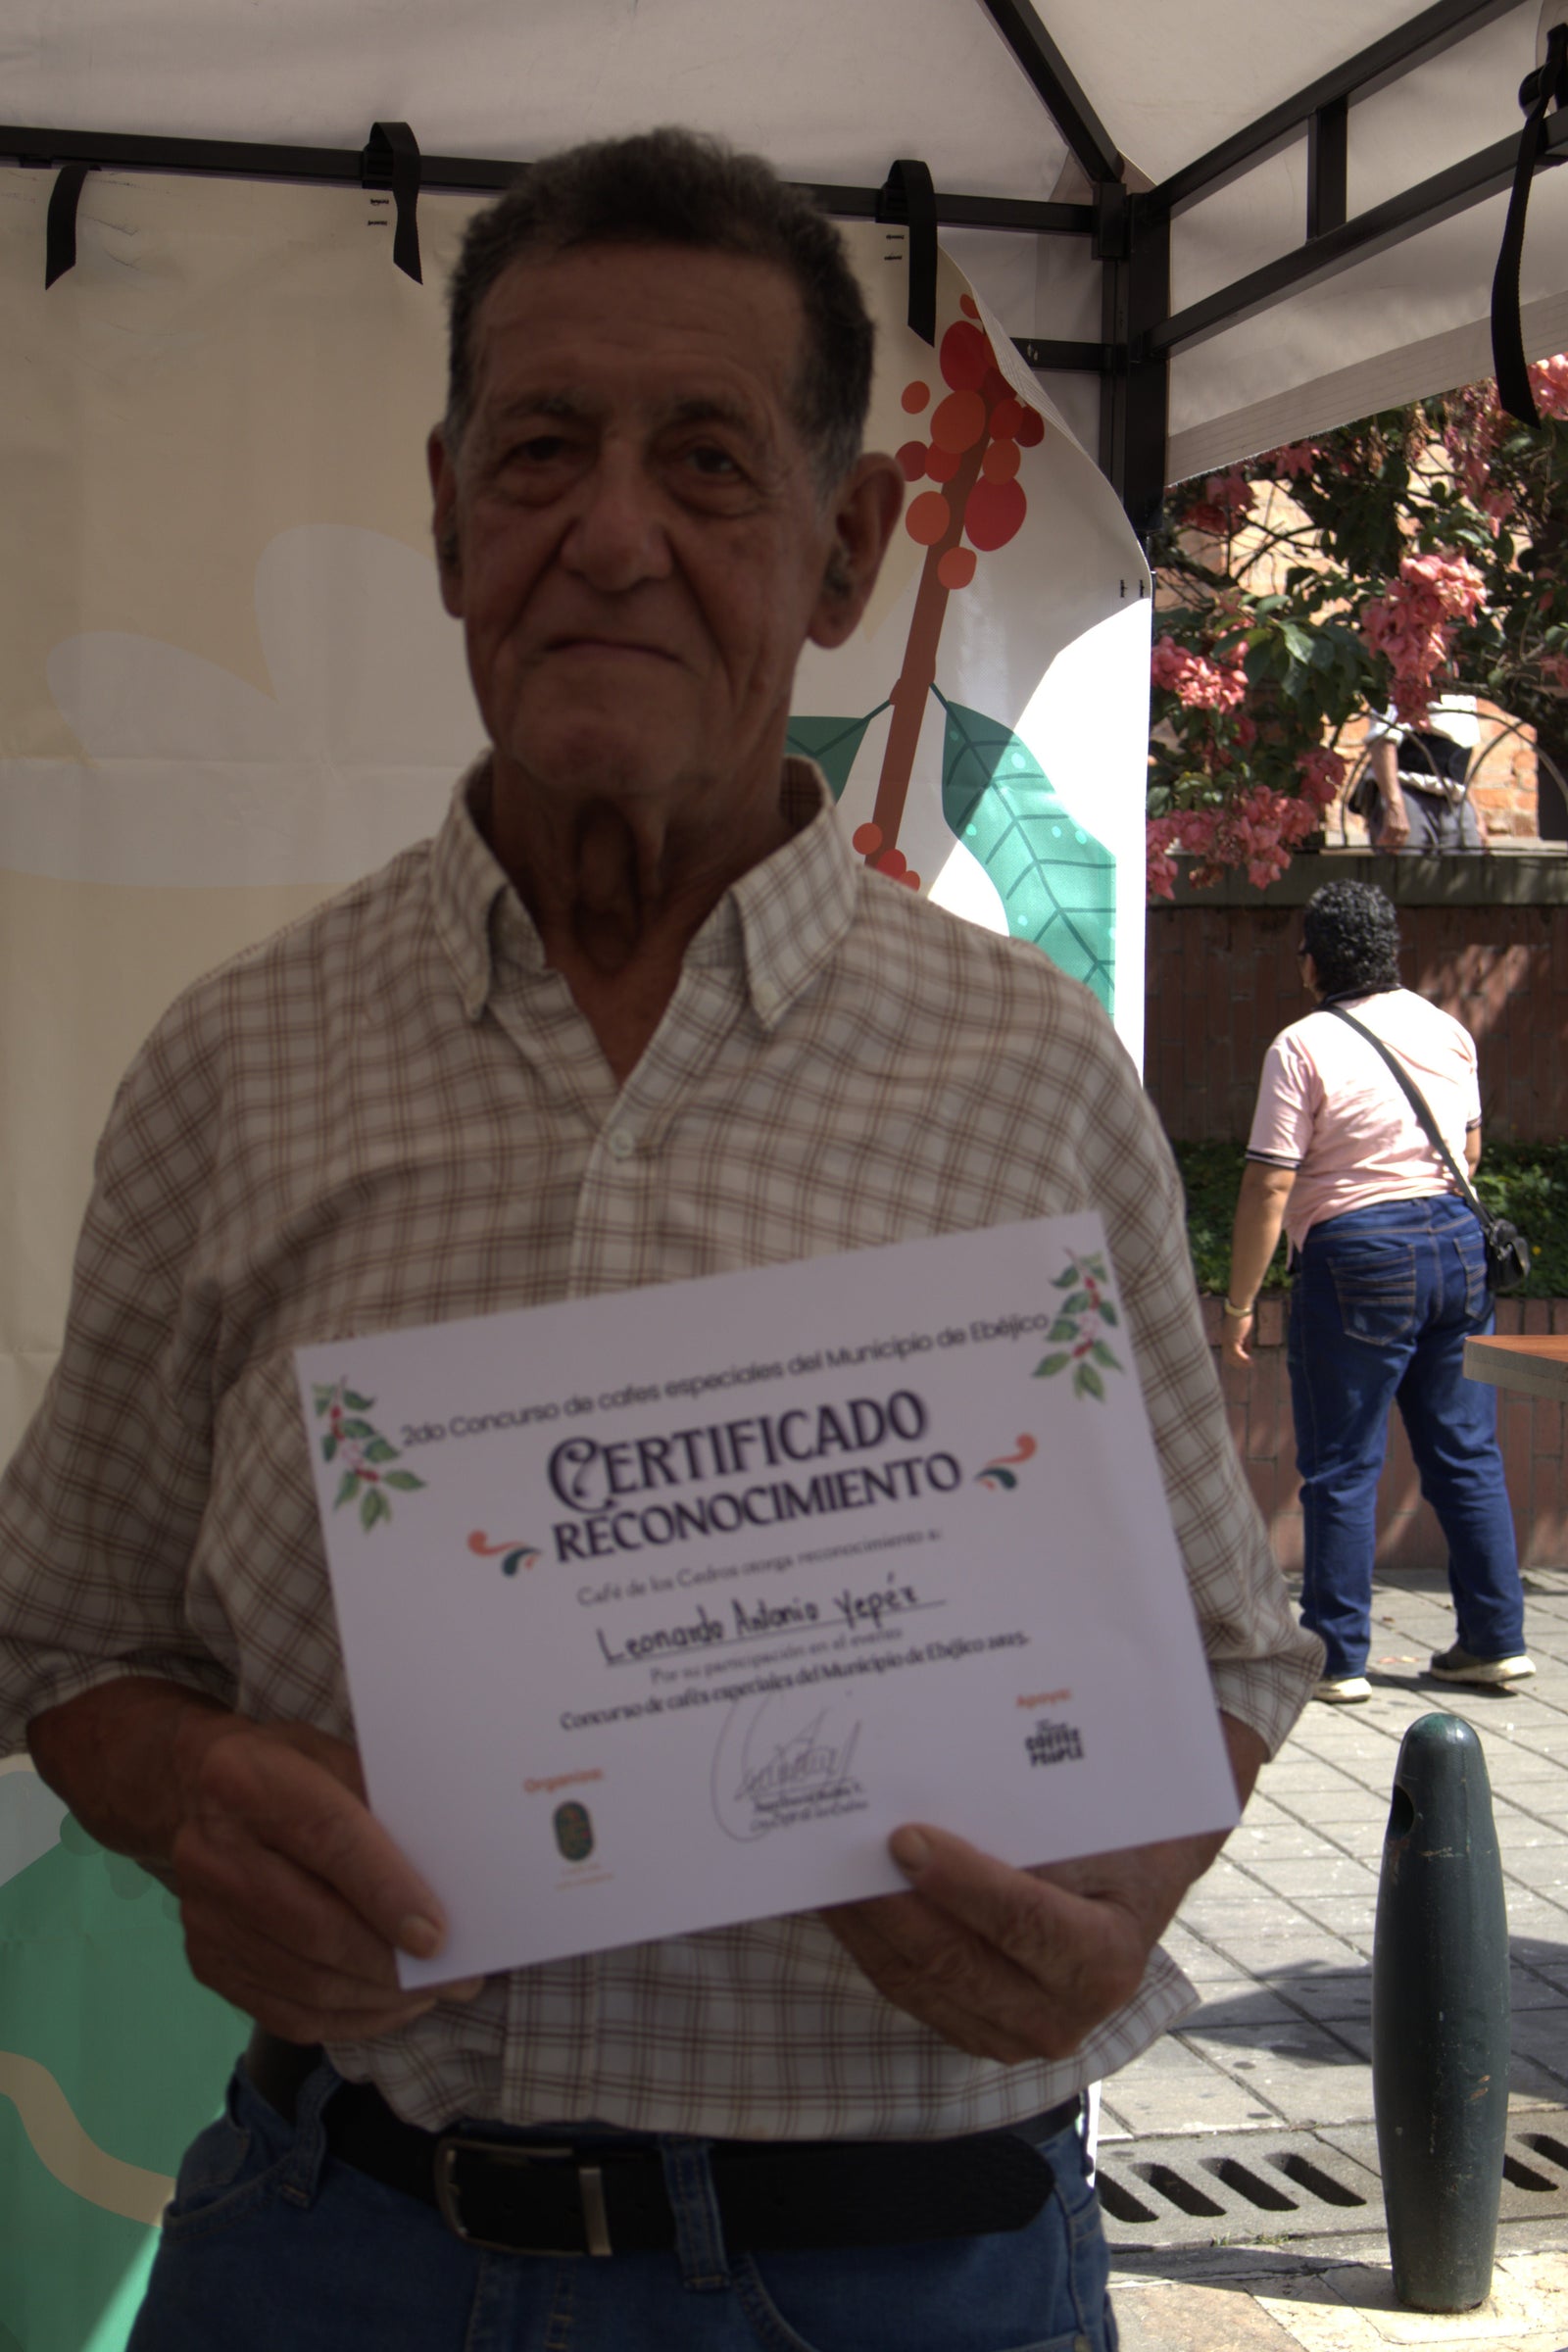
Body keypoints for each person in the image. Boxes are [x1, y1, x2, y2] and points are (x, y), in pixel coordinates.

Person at [0, 130, 1319, 2351]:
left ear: (843, 550)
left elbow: (1229, 1656)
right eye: (540, 451)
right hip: (346, 2239)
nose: (607, 534)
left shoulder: (1024, 1073)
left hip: (904, 2270)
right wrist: (195, 1784)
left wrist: (1117, 1904)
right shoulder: (234, 1063)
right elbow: (63, 1636)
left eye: (707, 461)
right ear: (443, 516)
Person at [1222, 880, 1532, 1704]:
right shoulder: (1448, 1030)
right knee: (1466, 1453)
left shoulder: (1301, 1046)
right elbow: (1468, 1146)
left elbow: (1269, 1187)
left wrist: (1239, 1301)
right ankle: (1496, 1642)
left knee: (1341, 1464)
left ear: (1314, 961)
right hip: (1458, 1250)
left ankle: (1339, 1656)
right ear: (1389, 951)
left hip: (1358, 1256)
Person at [1363, 699, 1488, 854]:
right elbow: (1382, 738)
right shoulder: (1404, 678)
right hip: (1409, 796)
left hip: (1455, 802)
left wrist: (1476, 815)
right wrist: (1394, 806)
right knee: (1405, 874)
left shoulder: (1465, 687)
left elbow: (1460, 757)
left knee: (1470, 870)